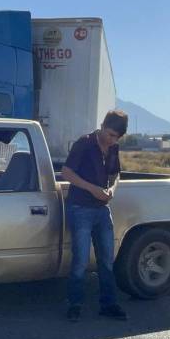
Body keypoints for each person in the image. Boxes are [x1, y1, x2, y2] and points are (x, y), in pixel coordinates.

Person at [61, 110, 129, 322]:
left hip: (102, 209)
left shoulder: (114, 147)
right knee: (80, 259)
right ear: (102, 126)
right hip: (80, 208)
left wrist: (112, 190)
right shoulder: (84, 142)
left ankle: (108, 304)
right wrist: (91, 189)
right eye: (109, 135)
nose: (112, 140)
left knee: (107, 260)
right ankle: (75, 303)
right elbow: (67, 172)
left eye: (116, 137)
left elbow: (116, 173)